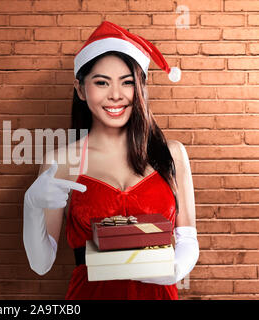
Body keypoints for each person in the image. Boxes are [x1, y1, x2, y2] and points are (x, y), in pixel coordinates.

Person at [23, 21, 199, 300]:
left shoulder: (172, 154)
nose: (115, 95)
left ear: (141, 87)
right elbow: (41, 263)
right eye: (102, 82)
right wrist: (31, 207)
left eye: (127, 82)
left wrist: (173, 269)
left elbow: (188, 239)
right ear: (81, 90)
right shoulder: (62, 161)